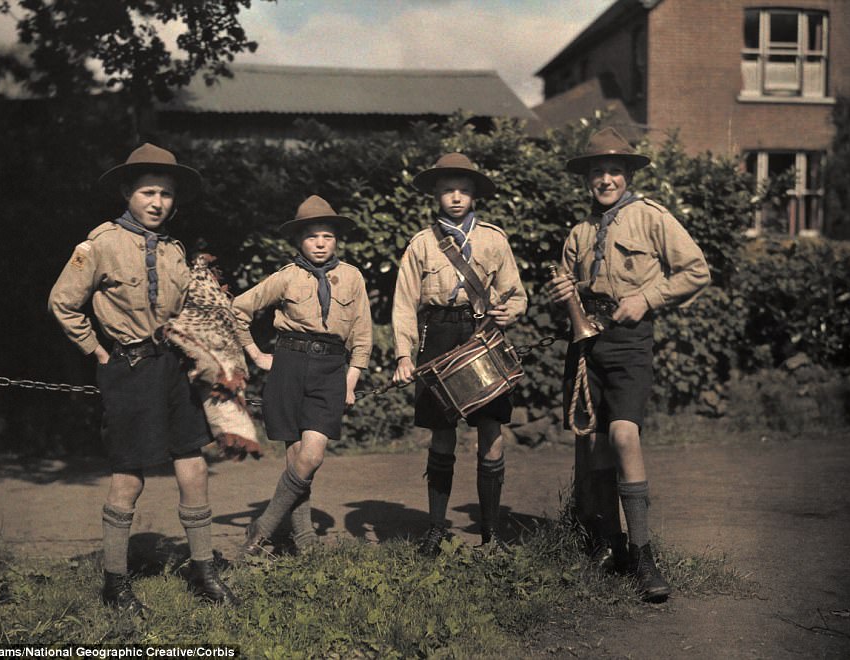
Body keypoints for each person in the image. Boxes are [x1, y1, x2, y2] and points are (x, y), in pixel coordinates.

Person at [48, 143, 234, 613]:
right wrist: (97, 350)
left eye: (167, 194)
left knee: (192, 464)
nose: (158, 202)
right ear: (127, 193)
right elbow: (62, 303)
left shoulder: (175, 249)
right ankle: (115, 582)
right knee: (129, 474)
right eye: (148, 192)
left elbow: (186, 308)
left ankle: (203, 570)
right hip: (128, 367)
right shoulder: (100, 245)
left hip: (173, 368)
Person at [548, 127, 710, 602]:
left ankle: (643, 553)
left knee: (624, 434)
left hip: (630, 342)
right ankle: (609, 545)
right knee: (595, 447)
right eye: (597, 171)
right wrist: (564, 296)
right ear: (587, 179)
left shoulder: (651, 217)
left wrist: (646, 297)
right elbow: (570, 294)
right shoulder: (578, 233)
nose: (605, 179)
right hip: (586, 346)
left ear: (628, 174)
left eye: (614, 170)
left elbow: (696, 269)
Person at [392, 153, 527, 555]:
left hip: (484, 334)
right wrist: (403, 355)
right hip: (438, 336)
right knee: (442, 431)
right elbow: (403, 304)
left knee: (491, 429)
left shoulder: (493, 239)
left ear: (474, 196)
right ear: (436, 193)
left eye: (464, 190)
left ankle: (491, 533)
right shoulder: (421, 244)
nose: (455, 197)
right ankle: (435, 529)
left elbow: (517, 293)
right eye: (448, 190)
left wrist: (511, 310)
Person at [234, 195, 372, 556]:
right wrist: (255, 354)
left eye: (328, 236)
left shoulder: (353, 277)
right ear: (299, 241)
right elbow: (237, 309)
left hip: (330, 369)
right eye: (312, 237)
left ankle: (262, 527)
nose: (321, 243)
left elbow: (362, 334)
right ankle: (304, 539)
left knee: (312, 456)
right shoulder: (286, 277)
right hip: (289, 365)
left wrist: (351, 379)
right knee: (295, 455)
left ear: (337, 239)